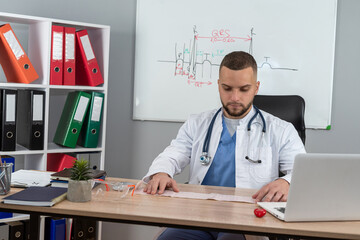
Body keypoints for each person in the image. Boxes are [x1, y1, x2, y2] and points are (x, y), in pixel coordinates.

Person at [142, 51, 306, 240]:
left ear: (256, 87)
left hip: (248, 220)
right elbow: (173, 154)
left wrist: (286, 181)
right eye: (227, 88)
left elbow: (302, 173)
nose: (235, 97)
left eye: (244, 89)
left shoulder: (281, 130)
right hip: (198, 216)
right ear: (218, 85)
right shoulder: (197, 124)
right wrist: (162, 172)